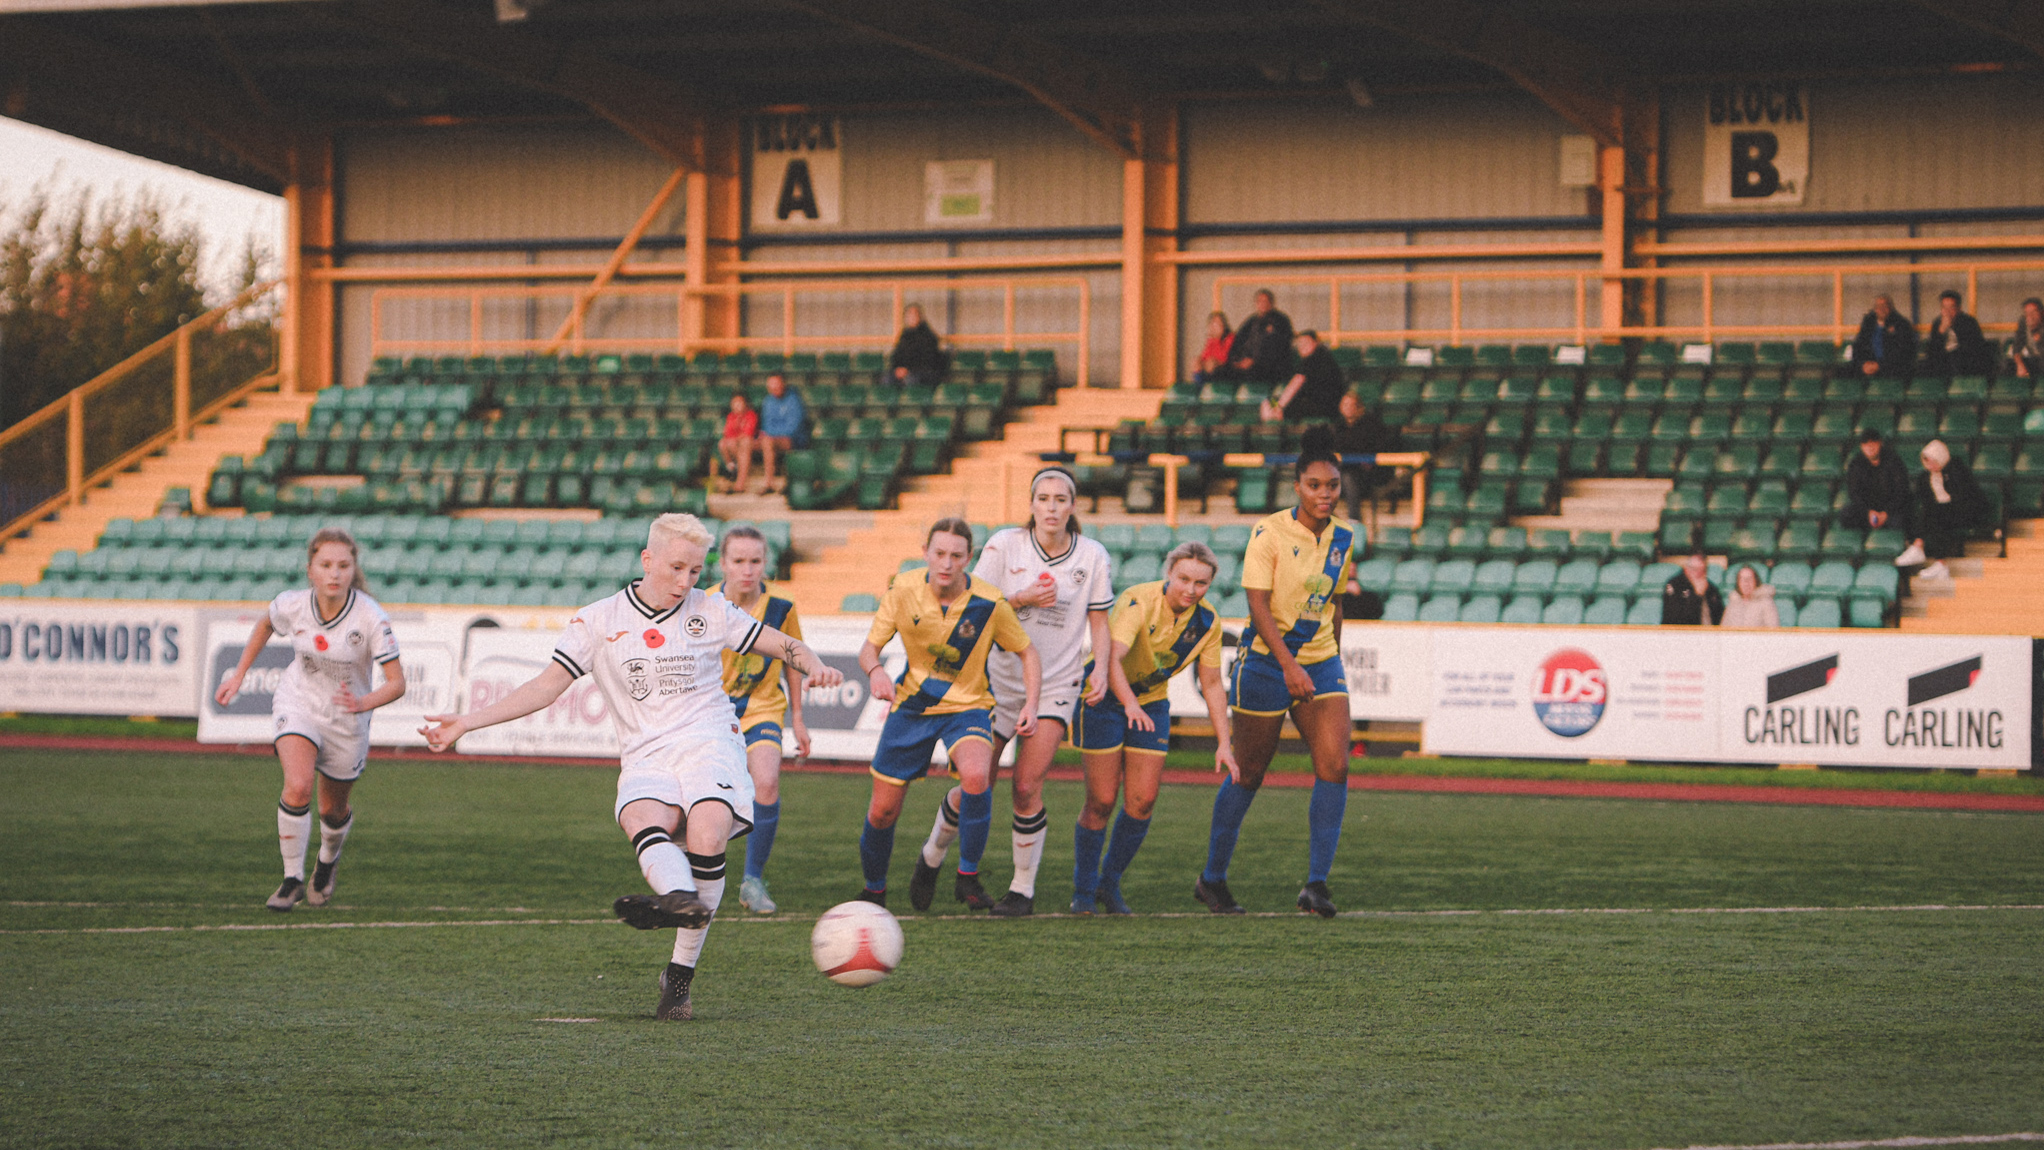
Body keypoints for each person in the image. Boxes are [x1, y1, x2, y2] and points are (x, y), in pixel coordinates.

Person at [419, 513, 840, 1022]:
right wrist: (466, 721)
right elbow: (545, 686)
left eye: (695, 570)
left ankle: (679, 976)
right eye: (676, 568)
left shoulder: (712, 609)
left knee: (707, 832)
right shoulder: (599, 620)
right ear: (647, 560)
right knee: (643, 818)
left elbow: (783, 644)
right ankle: (677, 898)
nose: (686, 581)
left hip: (710, 741)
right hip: (646, 753)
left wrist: (813, 663)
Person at [916, 468, 1113, 917]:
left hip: (1055, 684)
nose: (1051, 507)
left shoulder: (1094, 556)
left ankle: (1021, 890)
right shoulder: (1006, 545)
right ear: (1031, 504)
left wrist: (1100, 668)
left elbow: (1100, 622)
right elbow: (973, 605)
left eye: (1060, 499)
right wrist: (1021, 599)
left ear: (1072, 506)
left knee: (1026, 785)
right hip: (994, 682)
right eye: (1042, 498)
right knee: (976, 783)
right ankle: (931, 856)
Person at [1195, 426, 1359, 919]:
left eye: (1332, 485)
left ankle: (1316, 884)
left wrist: (1332, 660)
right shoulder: (1268, 532)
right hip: (1267, 662)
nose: (1325, 494)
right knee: (1249, 772)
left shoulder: (1345, 538)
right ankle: (1213, 878)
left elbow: (1335, 604)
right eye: (1315, 485)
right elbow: (1257, 605)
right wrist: (1288, 666)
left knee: (1336, 766)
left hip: (1319, 661)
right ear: (1298, 487)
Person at [215, 528, 407, 913]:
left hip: (346, 718)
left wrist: (362, 701)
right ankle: (291, 880)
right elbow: (266, 624)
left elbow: (398, 683)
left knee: (331, 812)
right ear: (310, 571)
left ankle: (326, 863)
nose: (334, 573)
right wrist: (238, 674)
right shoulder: (293, 605)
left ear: (354, 569)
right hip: (298, 701)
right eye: (325, 565)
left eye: (343, 565)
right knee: (298, 785)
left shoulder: (371, 618)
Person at [856, 518, 1040, 911]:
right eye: (939, 553)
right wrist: (875, 673)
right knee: (882, 810)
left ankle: (967, 878)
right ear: (925, 552)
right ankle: (874, 889)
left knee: (977, 777)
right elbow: (869, 650)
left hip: (968, 707)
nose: (946, 563)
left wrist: (1032, 703)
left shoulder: (989, 602)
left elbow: (1028, 651)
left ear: (968, 559)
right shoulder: (903, 589)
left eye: (956, 556)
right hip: (913, 707)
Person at [1070, 542, 1234, 916]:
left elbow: (1210, 683)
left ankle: (1108, 884)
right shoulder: (1138, 601)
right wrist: (1128, 703)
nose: (1191, 590)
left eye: (1201, 583)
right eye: (1184, 579)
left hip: (1151, 700)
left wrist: (1224, 742)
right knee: (1102, 800)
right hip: (1103, 693)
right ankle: (1082, 889)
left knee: (1142, 801)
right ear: (1169, 574)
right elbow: (1111, 658)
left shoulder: (1208, 622)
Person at [717, 525, 808, 914]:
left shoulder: (782, 608)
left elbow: (793, 659)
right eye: (738, 561)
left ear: (765, 563)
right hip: (713, 712)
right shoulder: (703, 604)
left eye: (755, 561)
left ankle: (752, 880)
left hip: (763, 708)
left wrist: (800, 719)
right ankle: (691, 873)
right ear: (723, 564)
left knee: (766, 783)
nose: (747, 569)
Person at [1897, 439, 1988, 579]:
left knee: (1935, 513)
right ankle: (1936, 561)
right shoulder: (1925, 478)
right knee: (1927, 512)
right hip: (1943, 515)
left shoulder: (1957, 470)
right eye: (1927, 462)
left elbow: (1965, 497)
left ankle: (1919, 548)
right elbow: (1923, 499)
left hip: (1967, 512)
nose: (1931, 465)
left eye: (1934, 461)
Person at [1329, 390, 1396, 522]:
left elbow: (1369, 448)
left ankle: (1354, 518)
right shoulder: (1339, 426)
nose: (1347, 408)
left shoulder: (1371, 424)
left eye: (1350, 405)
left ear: (1359, 407)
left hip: (1369, 474)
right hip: (1345, 470)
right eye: (1344, 405)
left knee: (1348, 477)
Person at [1841, 429, 1914, 538]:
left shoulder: (1893, 460)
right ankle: (1865, 538)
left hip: (1890, 508)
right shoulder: (1856, 464)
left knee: (1901, 519)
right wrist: (1868, 512)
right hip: (1869, 509)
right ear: (1861, 446)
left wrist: (1886, 513)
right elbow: (1854, 493)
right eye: (1866, 444)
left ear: (1880, 443)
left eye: (1873, 443)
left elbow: (1901, 490)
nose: (1870, 447)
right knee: (1846, 515)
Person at [1261, 330, 1344, 424]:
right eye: (1299, 344)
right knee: (1270, 400)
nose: (1302, 346)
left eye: (1306, 343)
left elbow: (1296, 383)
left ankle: (1279, 431)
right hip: (1311, 402)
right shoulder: (1315, 358)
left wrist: (1279, 406)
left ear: (1316, 342)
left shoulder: (1316, 358)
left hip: (1323, 406)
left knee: (1274, 405)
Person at [1920, 290, 1994, 378]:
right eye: (1944, 308)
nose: (1947, 312)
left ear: (1959, 309)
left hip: (1963, 362)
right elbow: (1933, 350)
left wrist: (1954, 326)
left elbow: (1972, 348)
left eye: (1951, 308)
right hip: (1943, 363)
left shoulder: (1969, 322)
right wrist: (1941, 331)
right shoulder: (1937, 323)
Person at [1229, 289, 1295, 385]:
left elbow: (1279, 348)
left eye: (1265, 301)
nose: (1263, 304)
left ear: (1271, 303)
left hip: (1270, 367)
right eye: (1260, 301)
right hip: (1247, 364)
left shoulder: (1281, 321)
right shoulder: (1251, 322)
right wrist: (1237, 361)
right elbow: (1238, 342)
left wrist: (1254, 361)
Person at [756, 373, 807, 494]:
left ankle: (769, 483)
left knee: (767, 441)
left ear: (783, 384)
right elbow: (766, 424)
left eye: (776, 385)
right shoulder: (768, 401)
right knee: (745, 442)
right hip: (773, 439)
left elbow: (793, 427)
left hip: (793, 440)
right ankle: (739, 483)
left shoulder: (794, 400)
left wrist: (773, 434)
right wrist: (771, 434)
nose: (774, 389)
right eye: (771, 386)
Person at [1849, 294, 1917, 379]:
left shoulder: (1902, 324)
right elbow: (1858, 346)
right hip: (1868, 367)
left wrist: (1880, 365)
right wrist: (1863, 364)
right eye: (1878, 306)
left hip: (1891, 370)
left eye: (1884, 306)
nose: (1881, 309)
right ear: (1875, 309)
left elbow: (1902, 353)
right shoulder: (1868, 323)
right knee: (1840, 372)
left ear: (1890, 308)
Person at [888, 303, 948, 388]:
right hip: (906, 372)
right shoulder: (904, 336)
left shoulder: (928, 336)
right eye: (909, 315)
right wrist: (897, 369)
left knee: (911, 379)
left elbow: (927, 360)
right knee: (887, 379)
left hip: (923, 374)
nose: (912, 317)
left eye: (914, 314)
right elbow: (897, 355)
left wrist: (908, 370)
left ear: (920, 317)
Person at [1661, 550, 1725, 626]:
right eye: (1695, 569)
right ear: (1686, 569)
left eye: (1702, 570)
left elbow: (1719, 617)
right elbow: (1673, 619)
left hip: (1709, 634)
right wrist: (1697, 596)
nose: (1698, 573)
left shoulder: (1711, 589)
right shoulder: (1674, 585)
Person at [718, 391, 760, 494]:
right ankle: (732, 468)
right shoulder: (731, 416)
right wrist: (733, 439)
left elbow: (748, 432)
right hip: (736, 445)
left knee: (743, 443)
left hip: (752, 443)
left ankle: (740, 482)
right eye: (734, 403)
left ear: (745, 404)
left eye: (739, 403)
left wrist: (735, 438)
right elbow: (727, 433)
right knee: (723, 444)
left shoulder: (751, 415)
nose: (737, 406)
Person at [1720, 564, 1779, 628]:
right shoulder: (1732, 604)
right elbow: (1723, 630)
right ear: (1738, 583)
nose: (1746, 583)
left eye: (1749, 578)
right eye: (1742, 579)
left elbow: (1773, 631)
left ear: (1756, 581)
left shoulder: (1766, 603)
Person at [1193, 311, 1236, 383]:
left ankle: (1211, 388)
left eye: (1219, 323)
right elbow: (1204, 356)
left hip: (1226, 367)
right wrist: (1200, 362)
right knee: (1196, 362)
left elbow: (1225, 358)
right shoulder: (1211, 340)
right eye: (1214, 324)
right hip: (1211, 366)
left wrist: (1213, 362)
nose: (1217, 326)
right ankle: (1198, 388)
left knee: (1211, 363)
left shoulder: (1230, 338)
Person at [2009, 297, 2044, 380]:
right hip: (2035, 360)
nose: (2030, 317)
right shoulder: (2023, 322)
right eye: (2027, 313)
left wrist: (2037, 338)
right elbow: (2016, 347)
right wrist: (2019, 364)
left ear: (2042, 313)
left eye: (2033, 312)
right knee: (2008, 364)